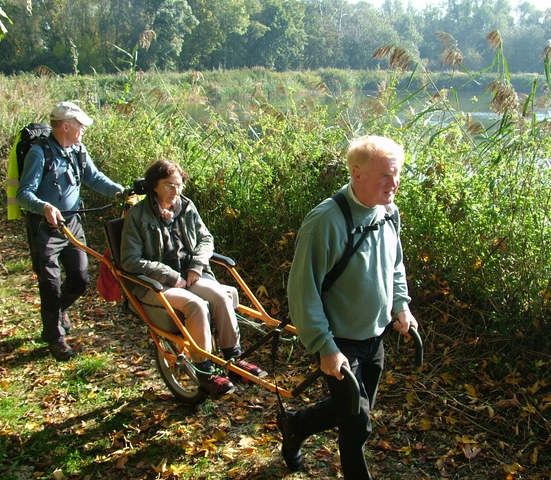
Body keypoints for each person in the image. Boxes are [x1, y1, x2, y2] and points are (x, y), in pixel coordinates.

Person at [281, 135, 419, 479]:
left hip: (375, 336)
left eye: (397, 173)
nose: (395, 182)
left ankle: (295, 425)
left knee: (356, 409)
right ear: (357, 175)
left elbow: (395, 265)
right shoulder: (326, 221)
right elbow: (302, 291)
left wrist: (401, 306)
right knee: (356, 427)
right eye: (386, 175)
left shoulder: (388, 211)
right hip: (340, 341)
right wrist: (325, 348)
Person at [120, 159, 268, 397]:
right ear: (154, 186)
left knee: (220, 294)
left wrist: (197, 265)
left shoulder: (187, 207)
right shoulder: (137, 216)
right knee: (195, 305)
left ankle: (234, 359)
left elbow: (206, 239)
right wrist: (169, 275)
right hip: (157, 283)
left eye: (179, 185)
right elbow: (130, 260)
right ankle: (205, 371)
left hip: (190, 274)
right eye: (169, 185)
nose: (176, 191)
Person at [17, 101, 125, 361]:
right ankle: (54, 337)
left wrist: (121, 191)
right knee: (50, 283)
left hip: (72, 224)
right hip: (46, 227)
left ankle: (56, 312)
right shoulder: (38, 154)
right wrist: (44, 207)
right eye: (80, 125)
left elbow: (94, 177)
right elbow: (23, 194)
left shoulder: (78, 149)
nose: (83, 129)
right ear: (65, 126)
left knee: (80, 278)